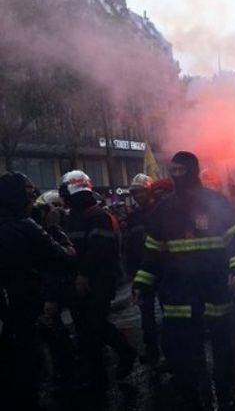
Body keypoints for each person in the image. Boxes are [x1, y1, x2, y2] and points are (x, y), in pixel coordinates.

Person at [132, 152, 235, 410]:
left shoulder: (215, 203)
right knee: (180, 353)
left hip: (215, 288)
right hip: (178, 294)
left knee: (222, 349)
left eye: (181, 170)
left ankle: (225, 393)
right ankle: (191, 398)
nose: (176, 175)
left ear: (193, 170)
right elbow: (152, 252)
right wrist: (141, 283)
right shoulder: (164, 209)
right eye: (172, 170)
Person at [0, 172, 77, 411]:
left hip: (6, 316)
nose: (33, 202)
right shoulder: (26, 228)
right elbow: (66, 259)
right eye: (30, 196)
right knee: (28, 375)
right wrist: (53, 229)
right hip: (22, 314)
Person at [60, 170, 137, 388]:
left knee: (94, 324)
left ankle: (125, 352)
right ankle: (95, 374)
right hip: (78, 281)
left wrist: (84, 274)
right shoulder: (72, 217)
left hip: (99, 280)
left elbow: (99, 249)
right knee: (84, 328)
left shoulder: (98, 216)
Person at [124, 173, 162, 363]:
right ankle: (151, 351)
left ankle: (174, 354)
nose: (138, 196)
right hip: (142, 271)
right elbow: (129, 247)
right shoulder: (133, 217)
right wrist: (132, 274)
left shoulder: (161, 211)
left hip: (162, 269)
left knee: (170, 312)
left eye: (141, 192)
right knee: (146, 315)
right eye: (135, 193)